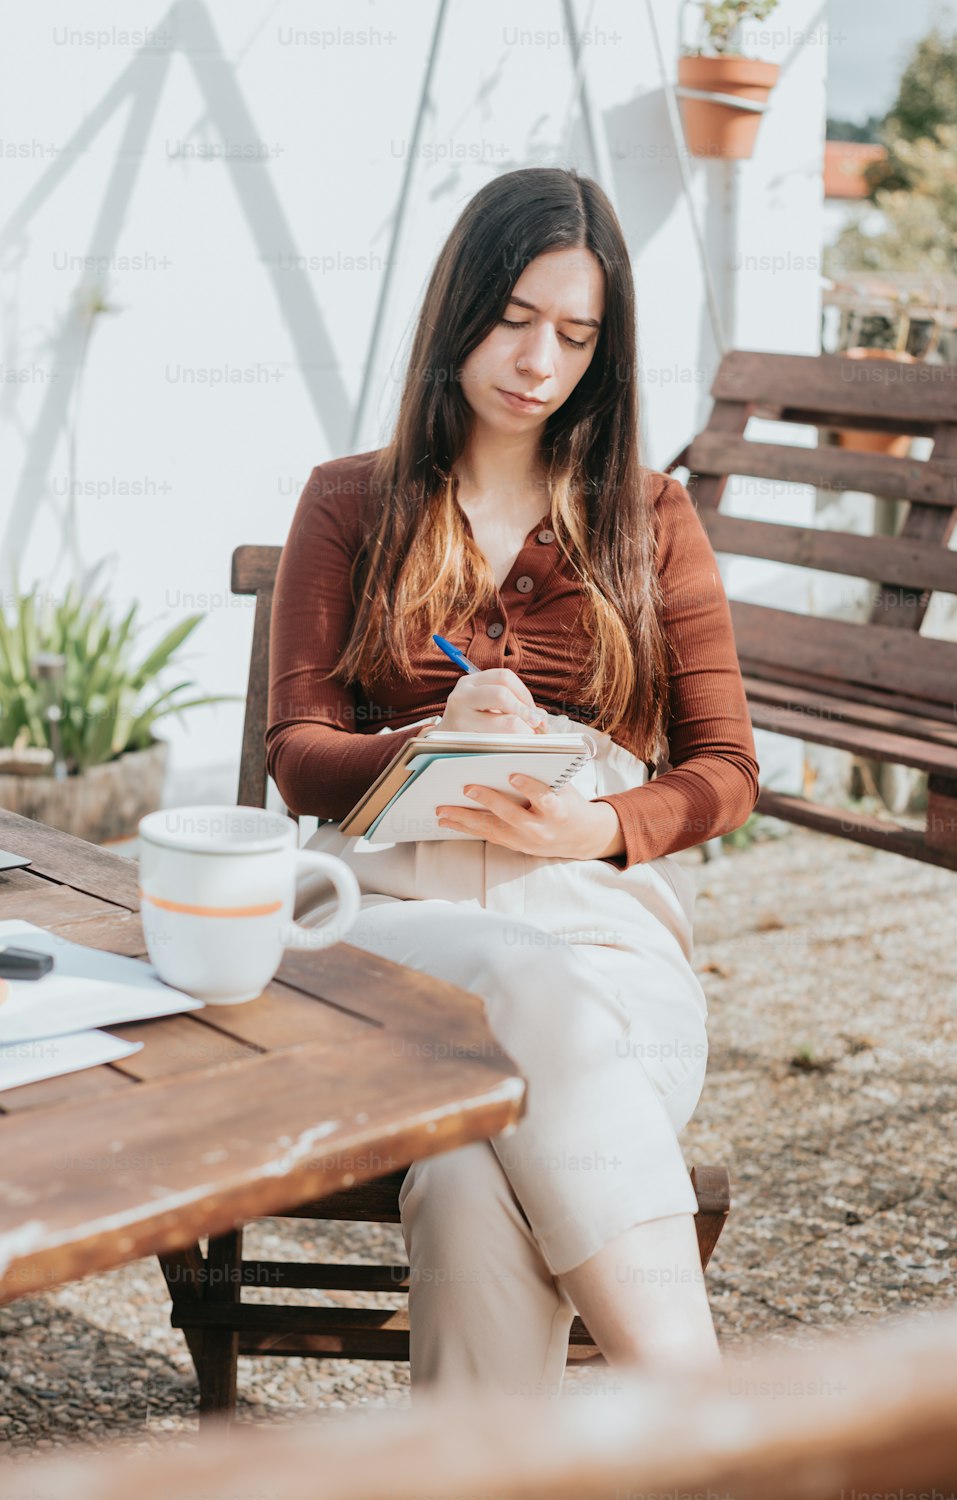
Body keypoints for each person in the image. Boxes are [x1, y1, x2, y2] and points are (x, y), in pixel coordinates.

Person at [266, 165, 760, 1400]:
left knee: (468, 1174)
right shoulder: (348, 503)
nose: (540, 360)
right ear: (459, 311)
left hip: (597, 927)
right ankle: (711, 1435)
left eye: (576, 335)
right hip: (394, 921)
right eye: (513, 318)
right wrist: (434, 742)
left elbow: (725, 770)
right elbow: (297, 754)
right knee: (520, 988)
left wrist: (594, 821)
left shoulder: (647, 516)